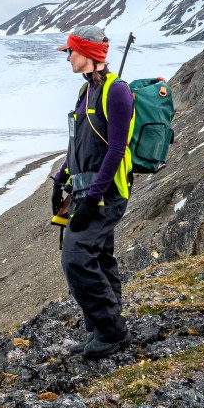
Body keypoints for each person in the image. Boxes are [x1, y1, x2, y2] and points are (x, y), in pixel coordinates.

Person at [54, 25, 134, 359]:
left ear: (87, 53)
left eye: (71, 52)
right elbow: (79, 142)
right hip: (86, 189)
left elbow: (116, 149)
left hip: (106, 193)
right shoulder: (86, 90)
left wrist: (93, 197)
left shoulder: (117, 91)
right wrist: (61, 177)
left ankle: (112, 332)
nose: (68, 58)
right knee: (100, 257)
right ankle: (104, 329)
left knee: (76, 258)